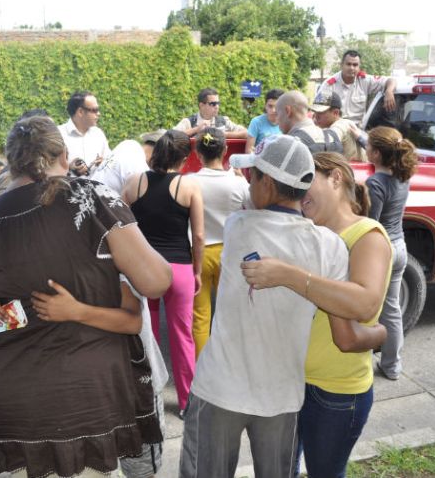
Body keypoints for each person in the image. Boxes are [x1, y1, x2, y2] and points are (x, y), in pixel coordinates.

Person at [0, 115, 172, 477]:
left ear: (11, 161)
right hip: (80, 400)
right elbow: (156, 281)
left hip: (11, 399)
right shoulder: (91, 197)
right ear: (63, 153)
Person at [179, 135, 349, 478]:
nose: (247, 182)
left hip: (220, 388)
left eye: (252, 176)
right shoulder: (331, 247)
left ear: (267, 184)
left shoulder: (239, 225)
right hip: (281, 394)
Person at [241, 151, 392, 477]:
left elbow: (364, 303)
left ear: (336, 177)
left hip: (335, 393)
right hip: (288, 382)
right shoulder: (305, 235)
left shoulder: (367, 235)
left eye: (308, 180)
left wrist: (289, 275)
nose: (300, 191)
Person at [30, 274, 170, 478]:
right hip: (84, 392)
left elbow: (132, 320)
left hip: (134, 389)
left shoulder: (114, 248)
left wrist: (75, 311)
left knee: (140, 470)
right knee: (95, 468)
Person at [121, 129, 205, 417]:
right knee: (183, 338)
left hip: (144, 269)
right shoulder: (189, 186)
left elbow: (119, 225)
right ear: (184, 157)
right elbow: (200, 236)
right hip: (179, 268)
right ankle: (186, 403)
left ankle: (148, 399)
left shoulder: (135, 183)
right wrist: (197, 272)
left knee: (147, 335)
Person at [188, 127, 250, 357]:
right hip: (230, 252)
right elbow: (254, 208)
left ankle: (201, 367)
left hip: (199, 253)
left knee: (200, 318)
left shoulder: (189, 181)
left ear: (197, 153)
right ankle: (228, 363)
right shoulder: (237, 182)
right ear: (225, 150)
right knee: (229, 314)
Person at [365, 126, 419, 381]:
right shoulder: (403, 177)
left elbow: (370, 224)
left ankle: (363, 359)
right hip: (399, 247)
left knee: (368, 306)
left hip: (381, 251)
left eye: (368, 146)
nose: (364, 149)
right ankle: (392, 365)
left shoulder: (375, 183)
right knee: (392, 309)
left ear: (375, 154)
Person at [314, 50, 397, 125]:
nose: (351, 68)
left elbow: (391, 80)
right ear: (341, 65)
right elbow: (319, 111)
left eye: (355, 65)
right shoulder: (329, 84)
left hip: (358, 130)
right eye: (348, 64)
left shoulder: (365, 80)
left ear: (359, 67)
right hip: (336, 128)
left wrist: (389, 91)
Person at [59, 90, 111, 176]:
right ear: (80, 112)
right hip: (67, 188)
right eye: (94, 110)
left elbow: (110, 163)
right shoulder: (59, 134)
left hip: (97, 188)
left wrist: (103, 163)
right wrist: (69, 167)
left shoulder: (98, 134)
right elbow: (49, 168)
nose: (99, 113)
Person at [310, 91, 368, 162]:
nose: (316, 116)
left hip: (355, 171)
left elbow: (330, 138)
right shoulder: (331, 125)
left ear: (335, 113)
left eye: (320, 112)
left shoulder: (342, 124)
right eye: (315, 111)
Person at [174, 87, 248, 139]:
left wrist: (223, 134)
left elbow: (247, 133)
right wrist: (196, 130)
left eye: (218, 103)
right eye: (213, 104)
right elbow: (171, 137)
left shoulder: (224, 121)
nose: (217, 106)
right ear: (201, 105)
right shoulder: (189, 122)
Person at [245, 89, 284, 153]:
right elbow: (249, 150)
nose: (273, 110)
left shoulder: (286, 123)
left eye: (276, 106)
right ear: (265, 106)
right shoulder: (256, 122)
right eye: (270, 106)